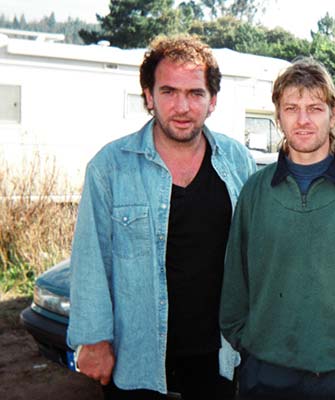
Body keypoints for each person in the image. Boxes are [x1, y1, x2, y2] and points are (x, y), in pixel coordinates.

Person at [66, 34, 256, 399]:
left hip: (220, 359)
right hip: (138, 360)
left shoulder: (237, 162)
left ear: (212, 101)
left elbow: (256, 253)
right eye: (169, 92)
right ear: (149, 97)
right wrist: (93, 339)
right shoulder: (110, 168)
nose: (182, 107)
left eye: (195, 93)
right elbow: (91, 260)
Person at [219, 57, 335, 400]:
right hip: (266, 371)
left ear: (333, 113)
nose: (303, 119)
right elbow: (236, 277)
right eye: (291, 108)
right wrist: (244, 341)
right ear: (277, 116)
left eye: (315, 107)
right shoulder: (255, 192)